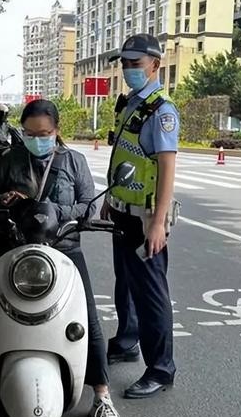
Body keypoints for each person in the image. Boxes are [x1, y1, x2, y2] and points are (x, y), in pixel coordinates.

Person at [0, 99, 120, 417]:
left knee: (88, 319)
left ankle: (102, 395)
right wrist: (5, 201)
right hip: (17, 250)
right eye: (29, 133)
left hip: (64, 249)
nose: (37, 139)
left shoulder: (74, 162)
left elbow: (87, 205)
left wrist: (55, 211)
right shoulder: (10, 160)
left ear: (56, 131)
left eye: (44, 134)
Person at [101, 33, 179, 399]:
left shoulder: (161, 111)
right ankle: (126, 340)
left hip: (145, 219)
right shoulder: (133, 103)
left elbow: (166, 169)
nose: (129, 69)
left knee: (150, 295)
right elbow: (123, 155)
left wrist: (159, 223)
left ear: (155, 65)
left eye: (136, 63)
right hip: (122, 211)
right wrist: (110, 198)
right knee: (125, 282)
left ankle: (161, 369)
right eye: (125, 64)